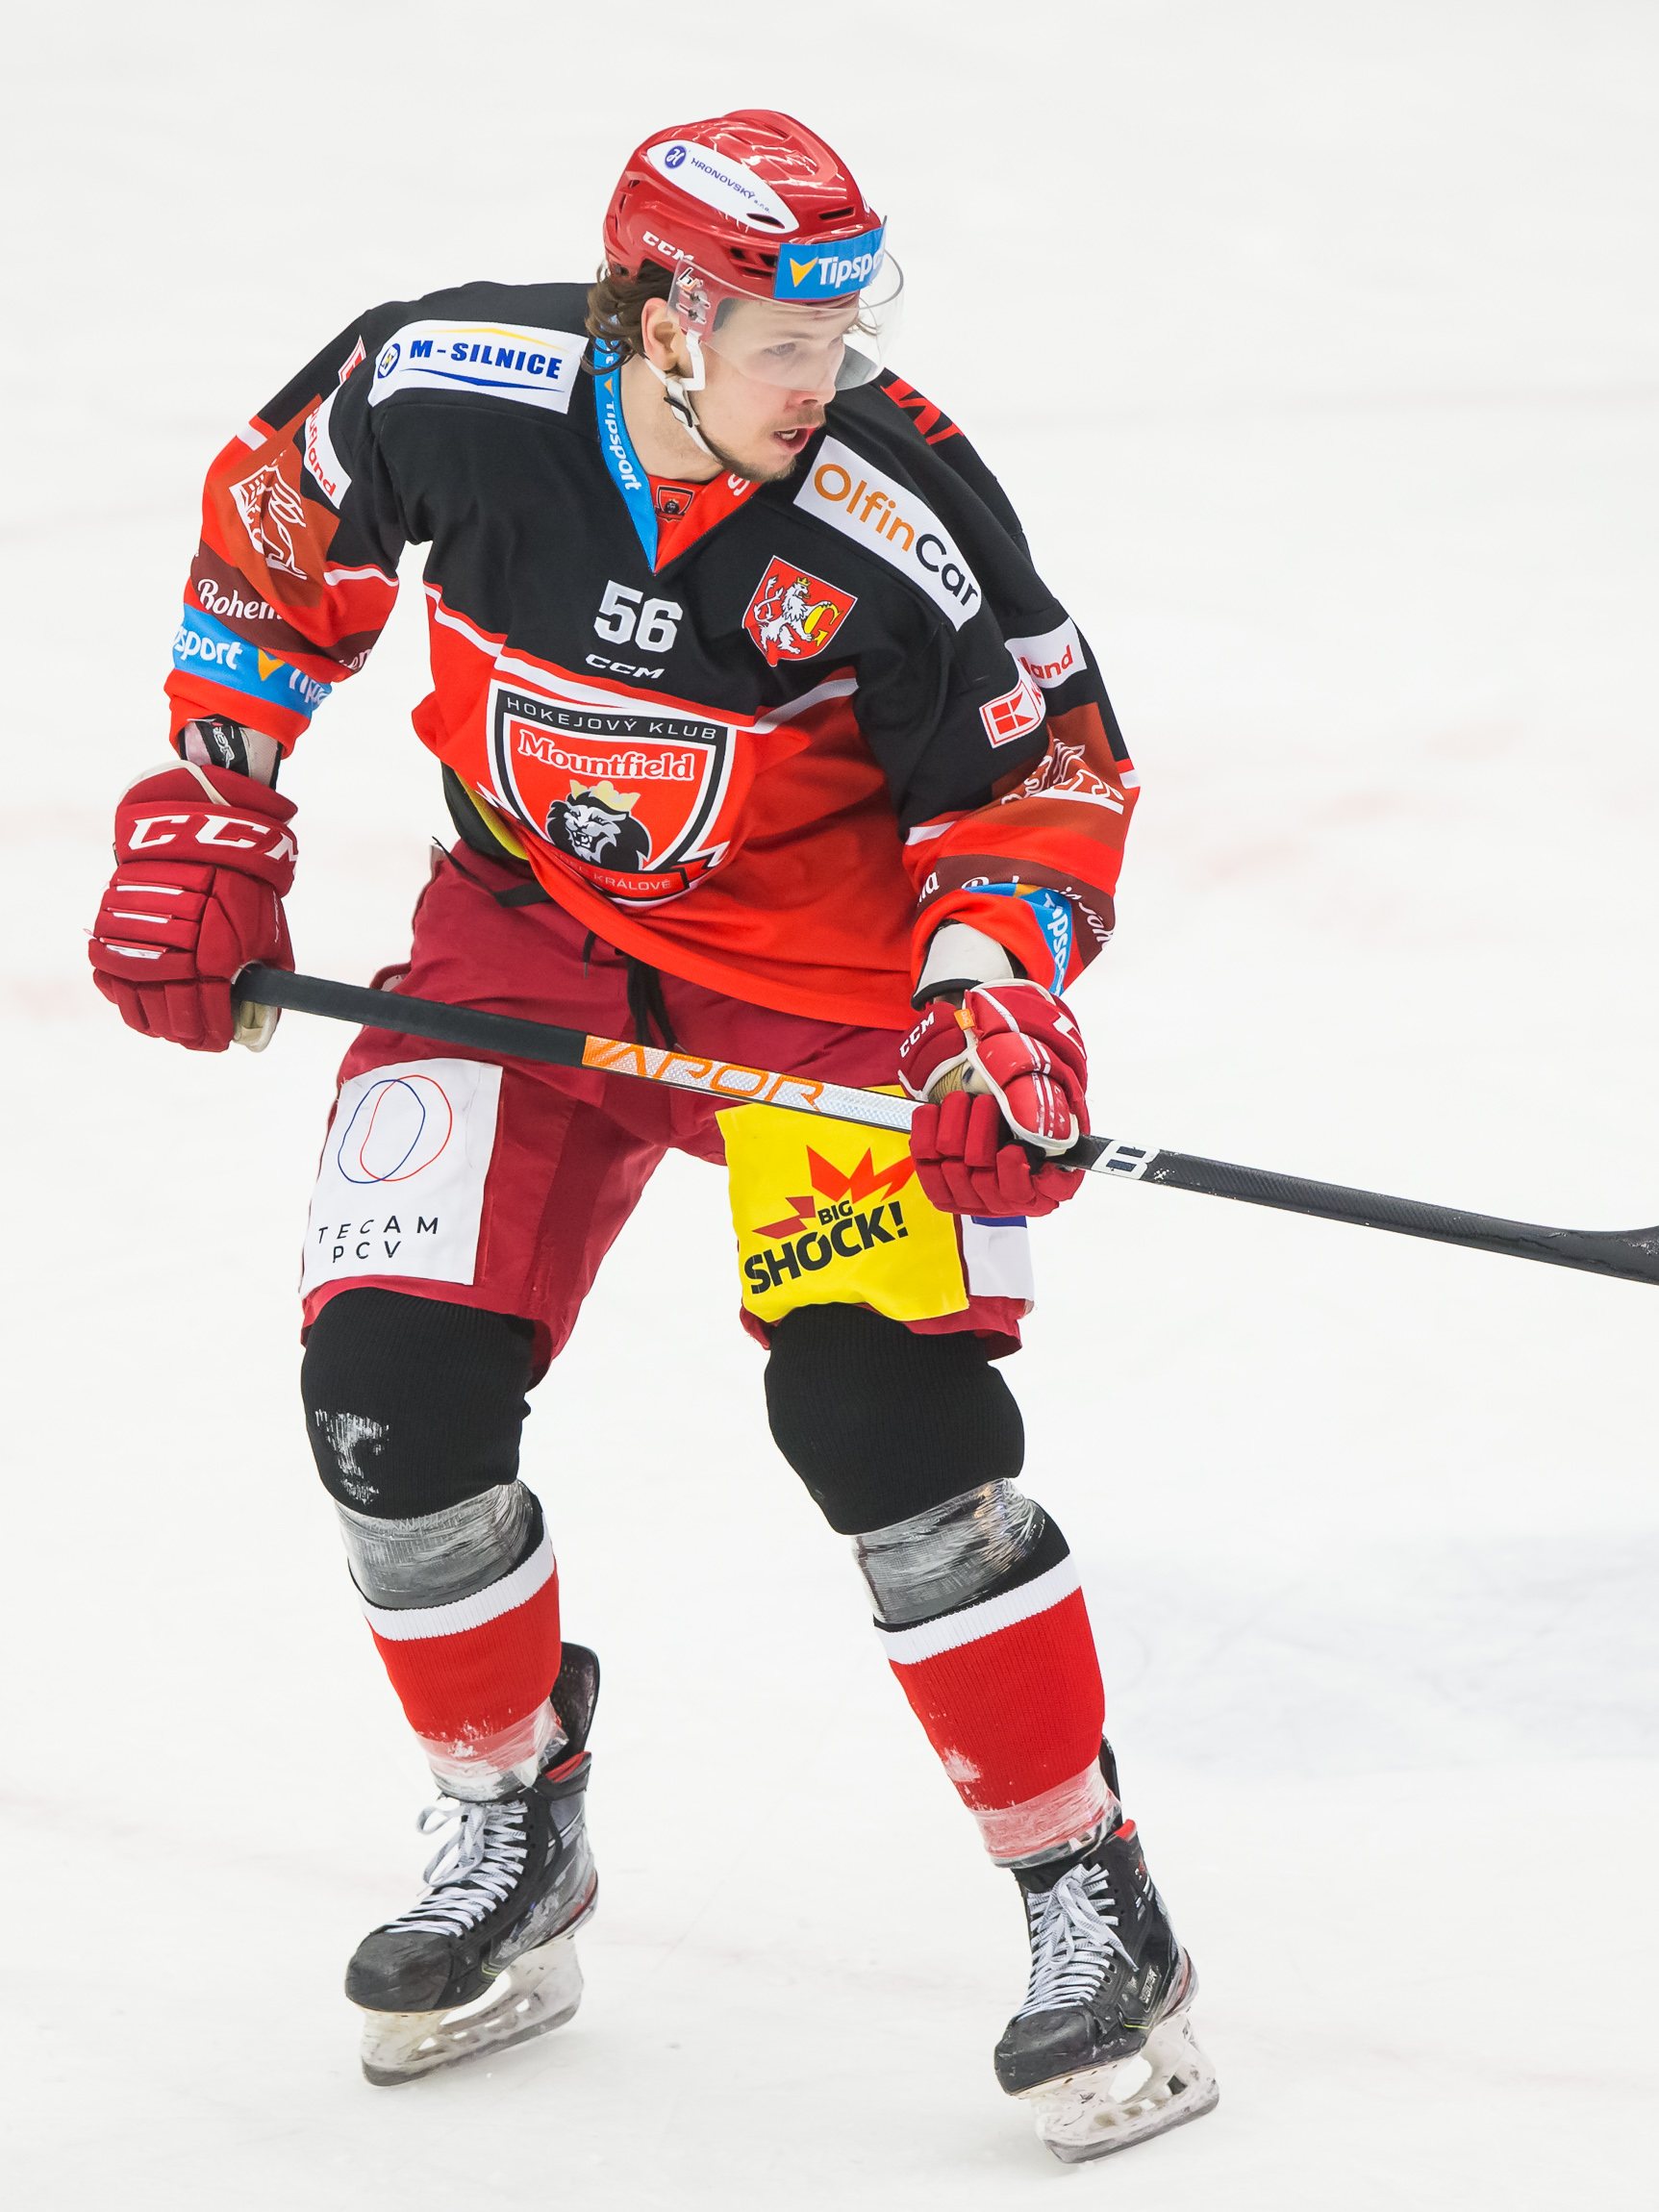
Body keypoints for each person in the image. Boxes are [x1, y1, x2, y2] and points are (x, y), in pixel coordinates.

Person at [87, 110, 1218, 2161]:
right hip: (522, 945)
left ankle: (1086, 1888)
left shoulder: (890, 505)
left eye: (845, 332)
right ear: (662, 319)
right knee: (387, 1402)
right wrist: (217, 800)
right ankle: (512, 1821)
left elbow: (1035, 777)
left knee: (883, 1425)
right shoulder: (442, 387)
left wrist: (989, 1001)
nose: (826, 375)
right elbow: (273, 544)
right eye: (789, 339)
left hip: (827, 1002)